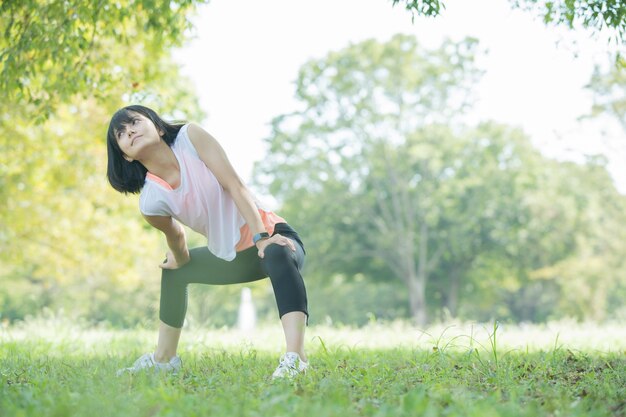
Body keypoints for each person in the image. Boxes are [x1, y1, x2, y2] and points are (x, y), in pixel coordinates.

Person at [106, 105, 309, 379]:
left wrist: (262, 237)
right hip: (232, 258)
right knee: (174, 272)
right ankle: (163, 360)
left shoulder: (191, 139)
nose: (129, 131)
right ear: (124, 156)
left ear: (159, 127)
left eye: (135, 123)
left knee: (276, 252)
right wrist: (178, 259)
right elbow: (176, 236)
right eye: (121, 133)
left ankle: (296, 359)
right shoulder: (151, 200)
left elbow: (235, 185)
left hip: (271, 234)